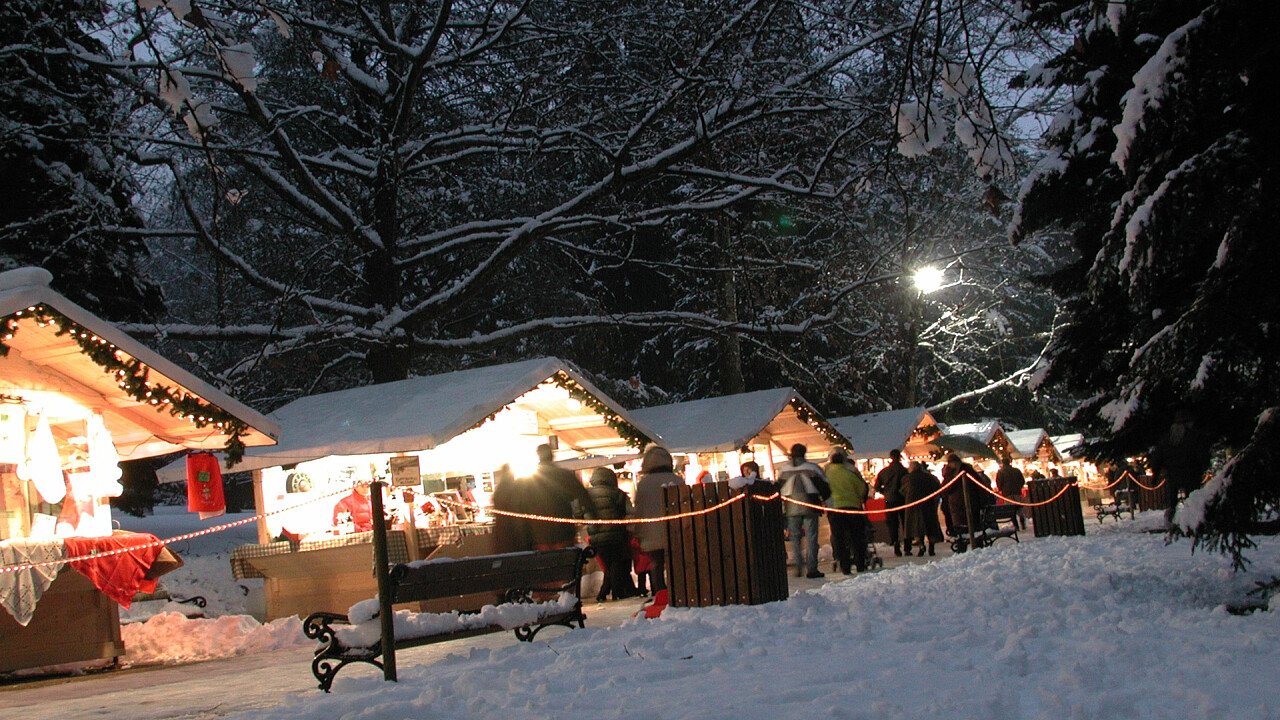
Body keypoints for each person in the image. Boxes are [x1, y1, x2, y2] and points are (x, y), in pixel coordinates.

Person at [576, 467, 637, 602]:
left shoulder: (586, 495)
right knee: (615, 562)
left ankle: (605, 592)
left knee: (608, 564)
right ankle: (616, 592)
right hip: (616, 534)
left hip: (596, 536)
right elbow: (630, 512)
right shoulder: (618, 493)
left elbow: (577, 513)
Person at [525, 444, 592, 550]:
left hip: (540, 535)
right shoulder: (564, 475)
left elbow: (523, 505)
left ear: (538, 456)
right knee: (564, 563)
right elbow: (583, 496)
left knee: (545, 564)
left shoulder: (529, 480)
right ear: (552, 455)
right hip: (563, 532)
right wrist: (592, 517)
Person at [777, 443, 829, 579]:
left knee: (795, 538)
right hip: (810, 506)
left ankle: (798, 567)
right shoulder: (813, 468)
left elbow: (778, 488)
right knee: (811, 538)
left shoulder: (784, 470)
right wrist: (826, 501)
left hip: (790, 507)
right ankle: (812, 569)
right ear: (804, 453)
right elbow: (825, 487)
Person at [633, 444, 681, 592]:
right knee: (676, 564)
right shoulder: (677, 480)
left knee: (656, 564)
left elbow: (639, 510)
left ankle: (659, 593)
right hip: (676, 531)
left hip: (651, 532)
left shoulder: (643, 484)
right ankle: (677, 592)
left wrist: (638, 532)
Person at [824, 450, 868, 575]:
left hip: (835, 508)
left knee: (839, 538)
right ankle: (860, 563)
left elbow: (823, 489)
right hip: (853, 506)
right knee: (857, 536)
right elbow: (862, 488)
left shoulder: (826, 472)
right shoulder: (851, 471)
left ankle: (845, 566)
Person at [942, 453, 995, 546]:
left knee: (965, 526)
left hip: (963, 504)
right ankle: (969, 542)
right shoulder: (966, 471)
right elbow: (980, 486)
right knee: (967, 525)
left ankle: (965, 543)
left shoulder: (954, 472)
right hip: (966, 504)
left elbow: (945, 489)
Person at [903, 461, 944, 556]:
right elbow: (938, 488)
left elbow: (903, 491)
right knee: (930, 527)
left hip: (913, 506)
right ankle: (931, 547)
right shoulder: (930, 477)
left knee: (917, 527)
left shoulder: (907, 478)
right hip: (928, 505)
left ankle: (921, 546)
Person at [875, 449, 910, 556]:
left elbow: (877, 486)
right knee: (905, 523)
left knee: (892, 524)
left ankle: (895, 544)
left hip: (889, 500)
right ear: (899, 457)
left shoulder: (884, 471)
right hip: (903, 500)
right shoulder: (904, 471)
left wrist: (885, 492)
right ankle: (907, 547)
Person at [490, 464, 533, 554]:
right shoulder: (515, 489)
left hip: (502, 532)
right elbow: (517, 509)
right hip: (515, 532)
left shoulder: (499, 491)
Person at [995, 455, 1027, 529]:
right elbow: (1022, 480)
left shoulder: (1001, 472)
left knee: (1011, 510)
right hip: (1017, 492)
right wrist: (1019, 486)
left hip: (1007, 493)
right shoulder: (1016, 470)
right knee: (1019, 509)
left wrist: (1001, 488)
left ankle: (1016, 526)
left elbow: (999, 483)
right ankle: (1023, 524)